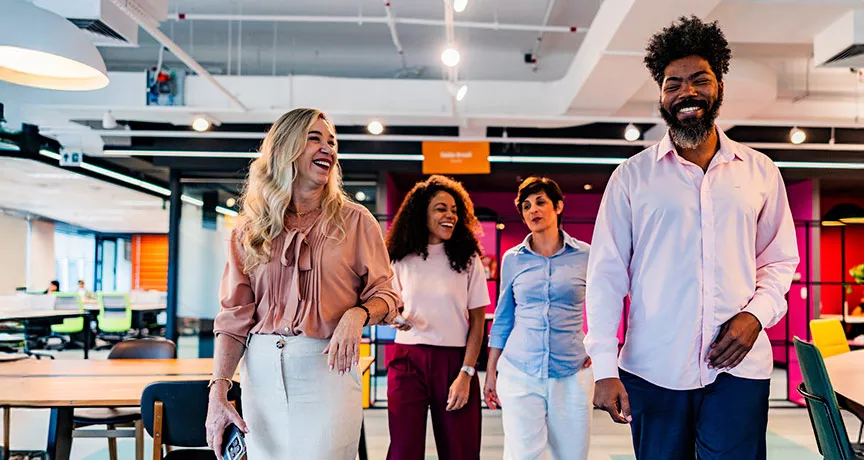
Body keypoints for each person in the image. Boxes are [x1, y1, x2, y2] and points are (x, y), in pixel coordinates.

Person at [585, 16, 799, 460]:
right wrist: (604, 367)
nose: (686, 92)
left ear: (718, 86)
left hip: (740, 368)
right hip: (653, 370)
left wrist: (756, 315)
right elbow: (606, 275)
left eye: (699, 80)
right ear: (662, 95)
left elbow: (779, 261)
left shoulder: (760, 172)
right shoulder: (631, 177)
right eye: (672, 83)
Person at [205, 108, 401, 459]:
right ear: (284, 148)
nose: (328, 148)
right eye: (315, 138)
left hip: (326, 370)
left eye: (332, 142)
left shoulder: (355, 222)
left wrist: (356, 314)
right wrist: (218, 391)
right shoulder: (250, 230)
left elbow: (388, 296)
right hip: (260, 375)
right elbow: (233, 318)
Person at [485, 177, 593, 460]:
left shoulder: (586, 255)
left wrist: (597, 349)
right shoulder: (513, 259)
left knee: (572, 455)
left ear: (558, 206)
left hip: (572, 372)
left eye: (540, 202)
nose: (533, 209)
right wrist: (491, 372)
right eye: (526, 206)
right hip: (520, 370)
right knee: (523, 455)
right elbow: (504, 316)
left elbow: (604, 307)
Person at [384, 175, 489, 460]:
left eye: (454, 210)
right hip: (407, 360)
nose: (450, 215)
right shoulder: (399, 258)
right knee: (404, 450)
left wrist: (467, 373)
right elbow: (390, 309)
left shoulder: (468, 259)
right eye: (441, 208)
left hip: (455, 363)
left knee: (461, 451)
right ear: (422, 213)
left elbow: (478, 322)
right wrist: (395, 318)